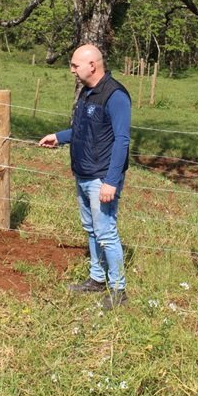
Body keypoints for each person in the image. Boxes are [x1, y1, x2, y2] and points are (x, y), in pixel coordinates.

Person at [39, 45, 131, 309]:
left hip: (101, 177)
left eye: (75, 65)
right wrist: (59, 137)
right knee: (91, 229)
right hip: (82, 172)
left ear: (92, 65)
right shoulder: (87, 93)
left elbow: (122, 141)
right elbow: (83, 131)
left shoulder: (115, 96)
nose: (72, 70)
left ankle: (118, 290)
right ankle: (96, 279)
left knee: (106, 232)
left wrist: (111, 181)